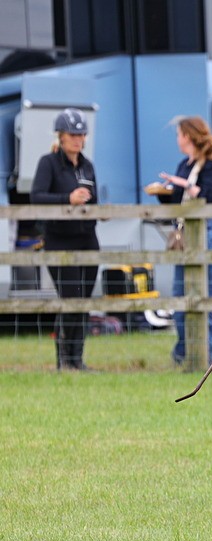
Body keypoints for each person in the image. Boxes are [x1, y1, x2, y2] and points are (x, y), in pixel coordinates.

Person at [149, 116, 212, 365]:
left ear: (190, 136)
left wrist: (186, 186)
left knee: (208, 294)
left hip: (208, 233)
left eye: (179, 134)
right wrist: (166, 193)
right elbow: (178, 201)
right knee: (181, 295)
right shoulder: (184, 164)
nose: (178, 139)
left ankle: (208, 355)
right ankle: (185, 354)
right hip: (185, 234)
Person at [30, 109, 98, 371]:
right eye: (73, 134)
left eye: (81, 134)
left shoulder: (88, 165)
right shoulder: (48, 163)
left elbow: (97, 199)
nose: (78, 139)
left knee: (84, 301)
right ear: (60, 136)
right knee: (69, 298)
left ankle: (77, 359)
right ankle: (63, 360)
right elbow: (36, 196)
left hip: (88, 238)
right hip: (59, 239)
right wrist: (67, 199)